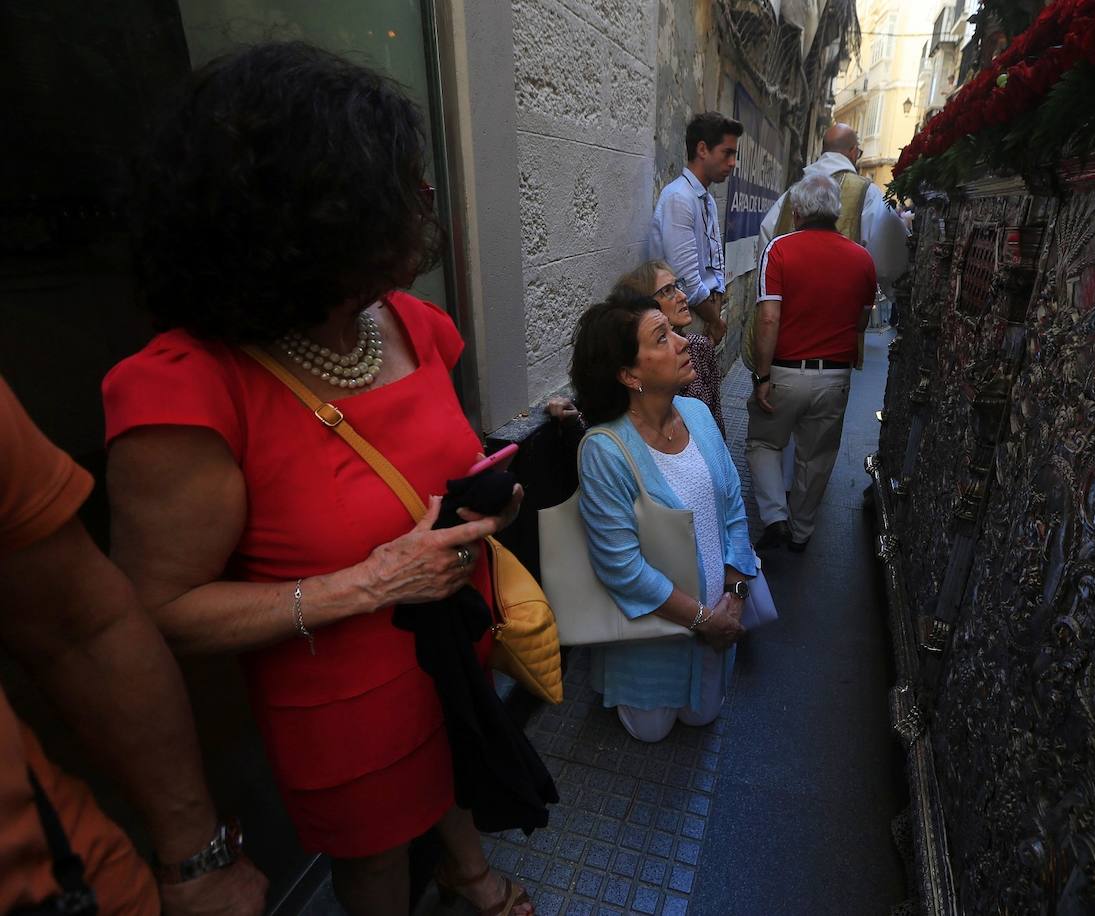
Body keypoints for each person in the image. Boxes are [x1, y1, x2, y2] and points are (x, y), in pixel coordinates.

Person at [102, 43, 533, 916]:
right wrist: (368, 581)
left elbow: (427, 476)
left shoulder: (415, 325)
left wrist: (485, 502)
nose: (424, 210)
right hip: (342, 703)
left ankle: (465, 870)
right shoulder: (183, 391)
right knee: (374, 866)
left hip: (453, 643)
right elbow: (157, 613)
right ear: (301, 224)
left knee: (456, 763)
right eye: (398, 194)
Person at [0, 375, 267, 915]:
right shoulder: (166, 388)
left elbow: (79, 626)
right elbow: (158, 608)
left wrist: (198, 857)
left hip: (68, 884)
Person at [569, 298, 755, 743]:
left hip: (718, 622)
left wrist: (736, 592)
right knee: (649, 731)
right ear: (630, 375)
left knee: (703, 717)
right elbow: (622, 567)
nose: (682, 342)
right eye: (662, 337)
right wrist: (703, 621)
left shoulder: (696, 413)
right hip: (654, 637)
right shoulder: (605, 450)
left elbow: (733, 508)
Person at [748, 174, 876, 553]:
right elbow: (862, 320)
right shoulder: (861, 258)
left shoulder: (780, 249)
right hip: (835, 376)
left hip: (785, 371)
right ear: (835, 211)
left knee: (763, 442)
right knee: (816, 458)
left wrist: (762, 375)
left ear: (798, 210)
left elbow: (768, 318)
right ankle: (802, 532)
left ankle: (774, 518)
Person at [758, 122, 907, 304]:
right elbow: (889, 256)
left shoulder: (793, 192)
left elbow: (766, 237)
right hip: (839, 310)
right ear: (853, 151)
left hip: (788, 311)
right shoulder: (865, 192)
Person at [649, 112, 743, 345]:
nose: (732, 162)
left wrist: (716, 312)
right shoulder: (679, 198)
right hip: (684, 323)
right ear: (702, 150)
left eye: (734, 154)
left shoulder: (706, 198)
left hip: (705, 318)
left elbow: (716, 263)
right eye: (727, 153)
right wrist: (716, 321)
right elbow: (687, 281)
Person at [611, 260, 725, 434]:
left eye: (678, 286)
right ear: (644, 303)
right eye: (668, 291)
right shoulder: (632, 363)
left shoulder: (700, 347)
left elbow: (716, 421)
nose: (683, 296)